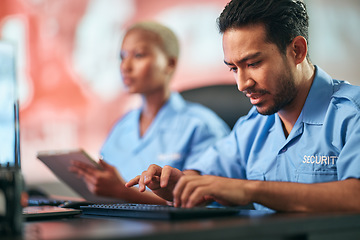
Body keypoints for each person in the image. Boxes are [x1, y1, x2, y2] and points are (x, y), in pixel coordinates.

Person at [126, 0, 360, 212]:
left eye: (253, 63)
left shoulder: (352, 114)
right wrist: (179, 184)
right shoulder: (252, 127)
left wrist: (250, 189)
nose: (242, 84)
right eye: (233, 68)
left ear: (297, 50)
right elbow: (206, 178)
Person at [70, 21, 230, 204]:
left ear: (169, 63)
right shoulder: (121, 127)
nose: (125, 66)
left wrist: (120, 191)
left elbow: (206, 203)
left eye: (138, 55)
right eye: (122, 57)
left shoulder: (202, 126)